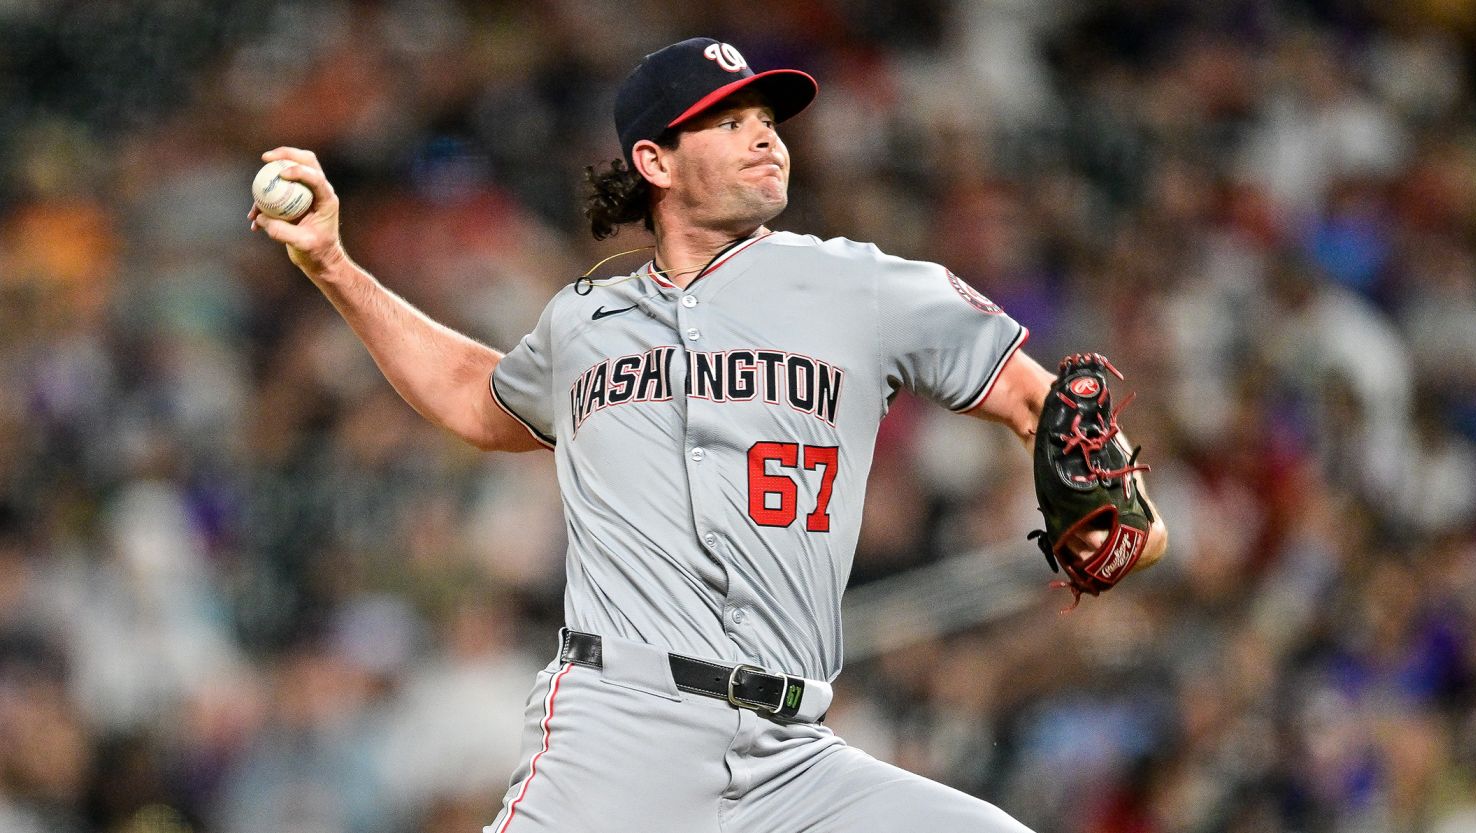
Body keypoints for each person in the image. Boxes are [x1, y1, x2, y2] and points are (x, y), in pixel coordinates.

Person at [250, 36, 1167, 833]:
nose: (765, 133)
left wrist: (1128, 505)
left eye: (766, 117)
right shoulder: (585, 322)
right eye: (727, 122)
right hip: (617, 729)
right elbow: (473, 397)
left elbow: (1040, 400)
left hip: (791, 757)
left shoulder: (864, 287)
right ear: (655, 159)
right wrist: (332, 263)